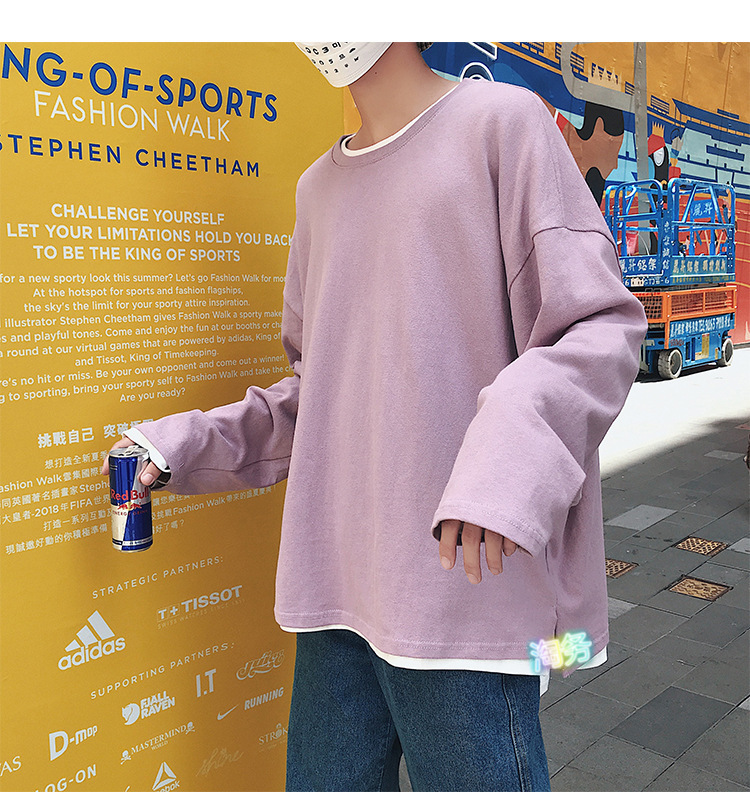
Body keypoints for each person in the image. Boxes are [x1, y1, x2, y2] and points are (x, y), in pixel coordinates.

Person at [105, 42, 648, 791]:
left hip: (463, 598)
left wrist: (505, 463)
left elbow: (599, 328)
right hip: (334, 595)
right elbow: (319, 394)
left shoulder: (503, 123)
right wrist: (179, 446)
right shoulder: (317, 189)